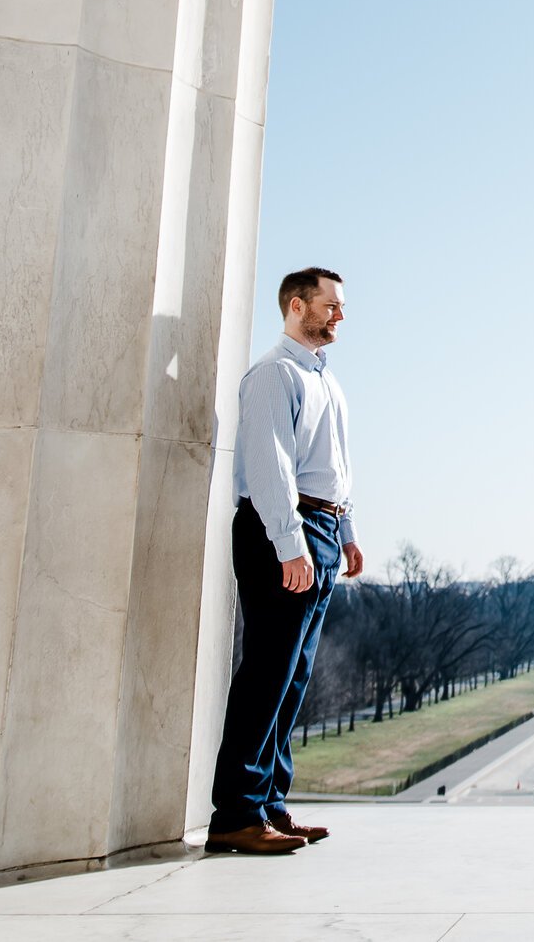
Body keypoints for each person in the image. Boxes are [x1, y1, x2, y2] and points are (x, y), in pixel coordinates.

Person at [204, 267, 366, 854]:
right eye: (331, 306)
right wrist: (290, 543)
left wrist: (345, 531)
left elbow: (334, 469)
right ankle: (236, 816)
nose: (340, 316)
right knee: (266, 675)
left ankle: (270, 803)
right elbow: (269, 465)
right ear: (297, 307)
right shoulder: (274, 374)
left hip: (320, 527)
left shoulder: (326, 381)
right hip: (283, 529)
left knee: (292, 677)